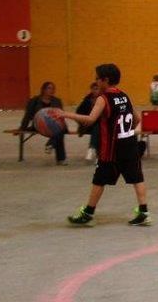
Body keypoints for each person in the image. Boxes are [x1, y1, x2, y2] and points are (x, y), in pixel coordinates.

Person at [63, 63, 150, 226]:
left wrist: (64, 114)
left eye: (97, 79)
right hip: (129, 143)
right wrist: (125, 133)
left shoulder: (103, 99)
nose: (95, 82)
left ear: (106, 80)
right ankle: (144, 212)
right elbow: (137, 119)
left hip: (111, 147)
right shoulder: (125, 95)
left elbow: (90, 120)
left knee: (99, 179)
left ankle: (87, 214)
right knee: (137, 177)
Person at [20, 81, 67, 165]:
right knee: (59, 132)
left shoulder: (57, 101)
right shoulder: (34, 100)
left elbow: (61, 115)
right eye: (49, 88)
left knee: (60, 130)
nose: (52, 90)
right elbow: (27, 115)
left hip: (54, 124)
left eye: (53, 89)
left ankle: (51, 145)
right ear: (43, 90)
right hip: (39, 125)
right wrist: (22, 128)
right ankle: (59, 156)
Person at [75, 81, 101, 162]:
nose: (95, 91)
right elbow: (78, 113)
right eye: (93, 89)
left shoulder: (103, 100)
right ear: (91, 90)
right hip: (87, 126)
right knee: (97, 128)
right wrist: (82, 122)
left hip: (98, 126)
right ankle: (97, 154)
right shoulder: (86, 101)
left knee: (97, 128)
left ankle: (91, 148)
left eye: (97, 89)